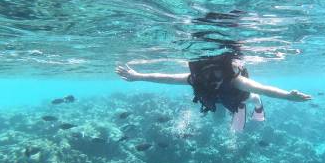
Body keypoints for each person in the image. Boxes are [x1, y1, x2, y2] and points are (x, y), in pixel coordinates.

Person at [116, 53, 311, 131]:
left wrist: (287, 96)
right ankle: (233, 110)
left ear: (223, 72)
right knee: (217, 107)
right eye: (206, 76)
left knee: (253, 97)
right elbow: (164, 77)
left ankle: (257, 108)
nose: (211, 80)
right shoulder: (195, 79)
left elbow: (264, 89)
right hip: (216, 99)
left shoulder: (236, 81)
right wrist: (137, 76)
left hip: (236, 95)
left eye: (216, 74)